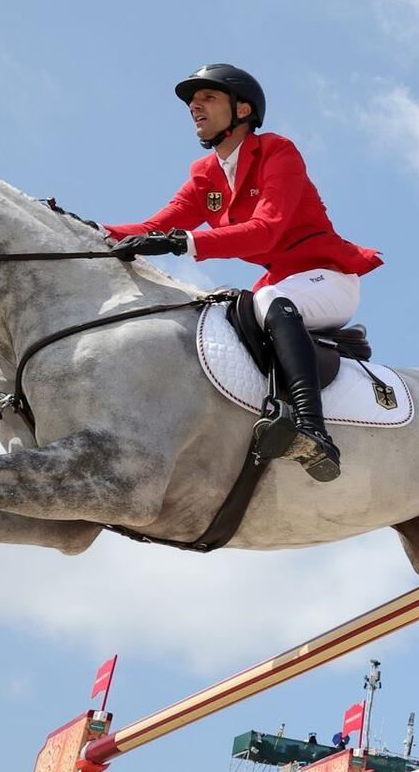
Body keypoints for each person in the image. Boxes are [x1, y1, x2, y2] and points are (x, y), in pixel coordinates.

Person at [104, 64, 383, 482]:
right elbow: (155, 226)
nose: (195, 106)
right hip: (281, 283)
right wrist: (80, 228)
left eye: (208, 98)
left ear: (243, 110)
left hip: (328, 276)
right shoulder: (205, 175)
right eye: (192, 102)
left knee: (269, 300)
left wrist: (186, 242)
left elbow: (266, 229)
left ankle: (314, 431)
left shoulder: (277, 151)